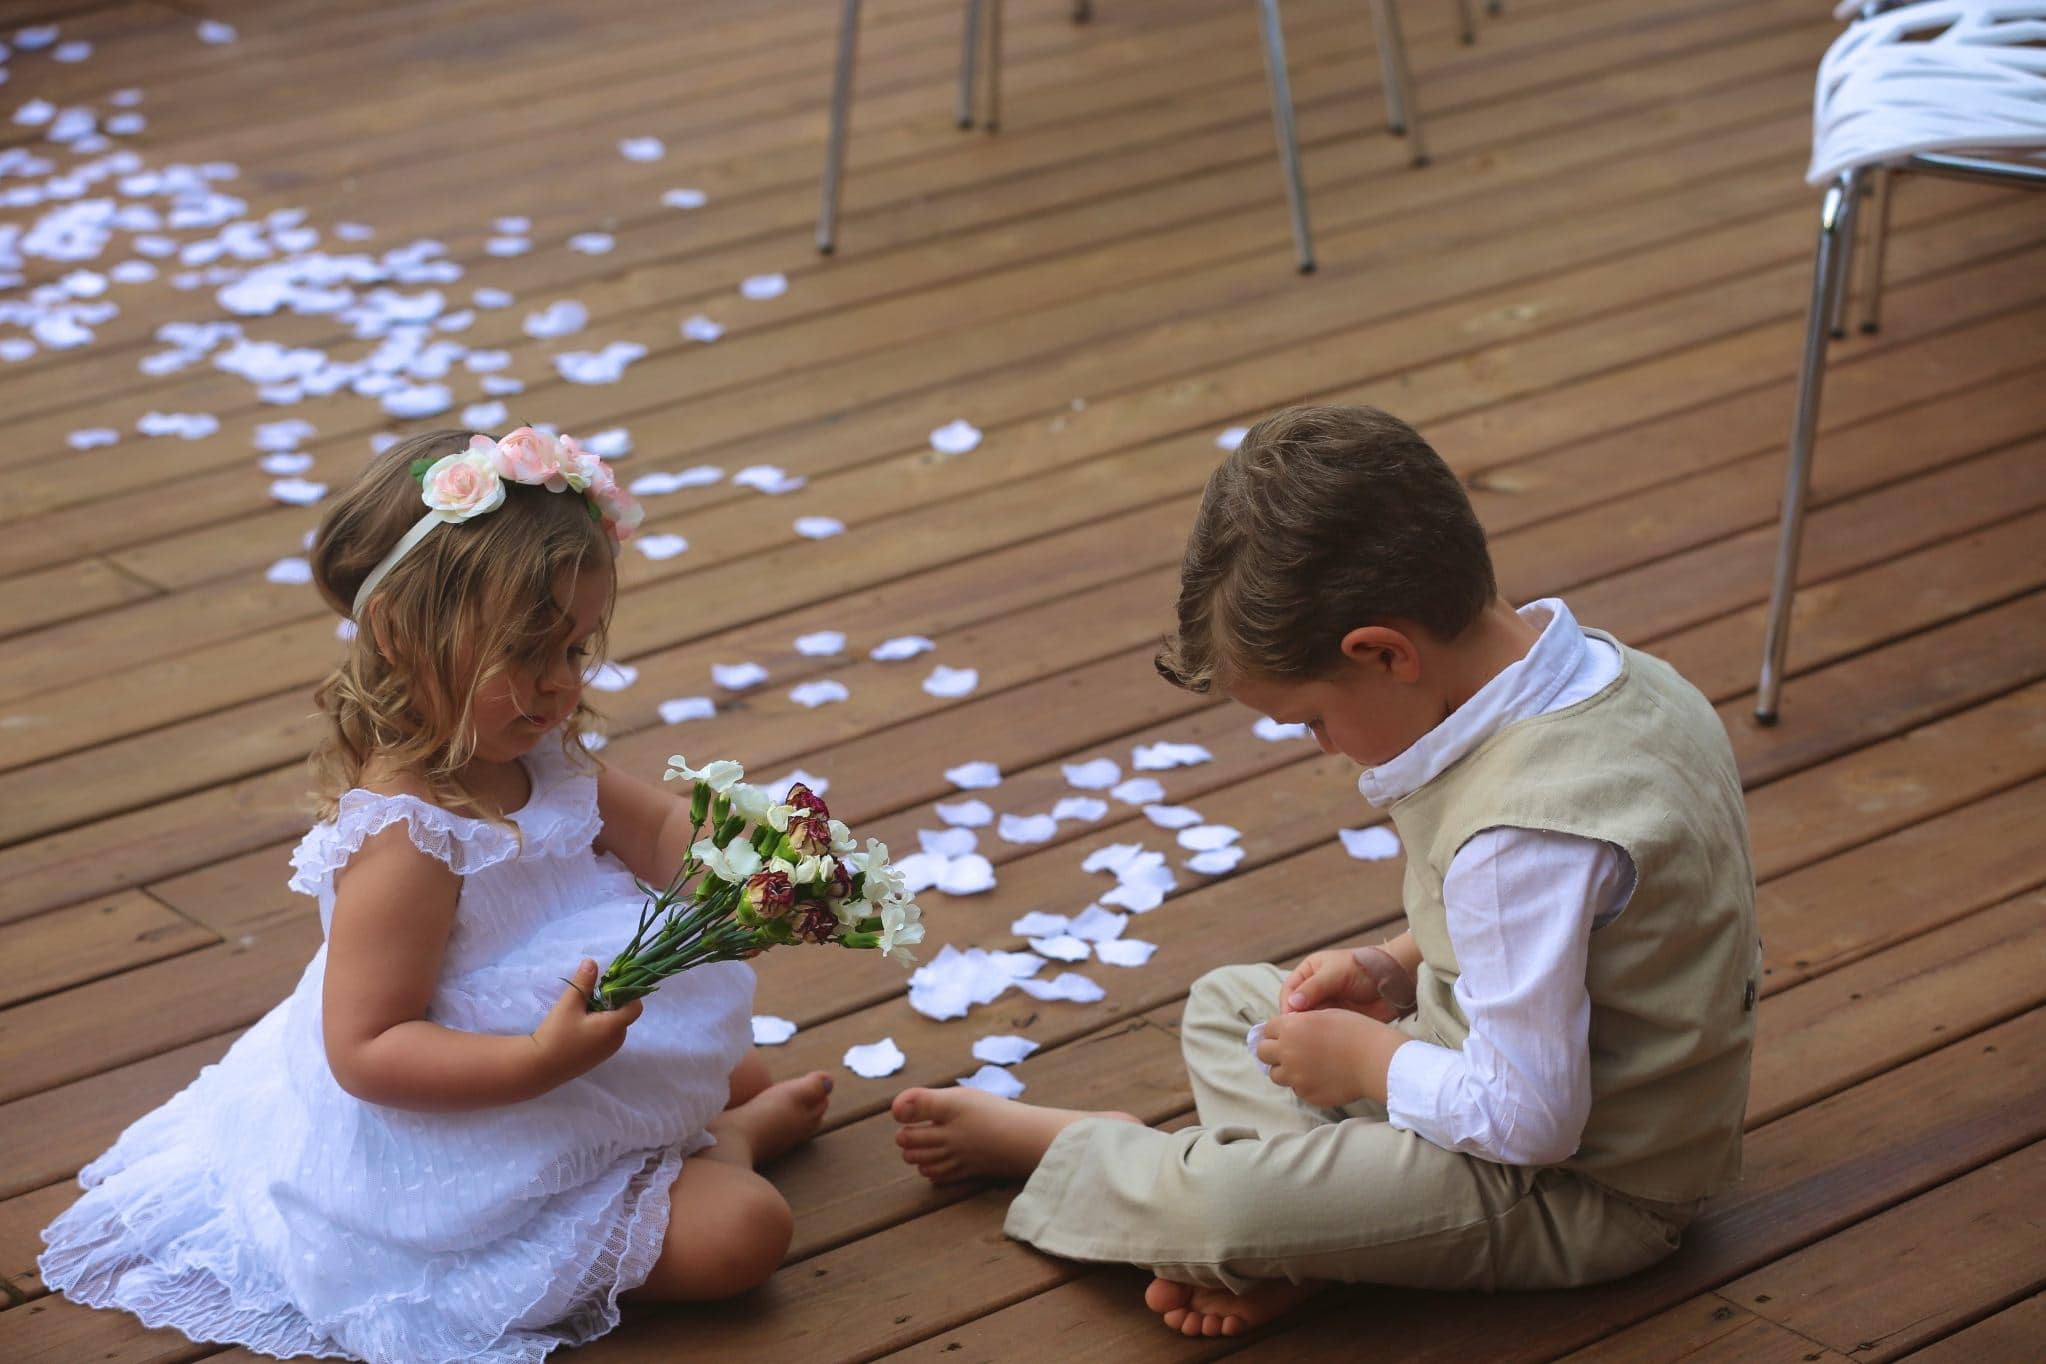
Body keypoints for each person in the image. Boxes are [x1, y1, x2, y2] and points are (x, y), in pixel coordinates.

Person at [891, 405, 1762, 1337]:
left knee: (1220, 1209)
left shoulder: (1521, 835)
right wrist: (1393, 967)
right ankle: (1327, 1240)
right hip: (1525, 1079)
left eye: (1309, 719)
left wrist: (1370, 1058)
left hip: (1580, 1188)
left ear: (1383, 653)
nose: (1322, 747)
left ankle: (1094, 1152)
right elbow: (1578, 928)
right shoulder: (1619, 681)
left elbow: (1535, 1122)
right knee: (1237, 1006)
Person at [40, 427, 833, 1363]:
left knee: (737, 1067)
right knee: (746, 1233)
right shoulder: (405, 835)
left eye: (578, 649)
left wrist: (746, 876)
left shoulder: (539, 753)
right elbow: (369, 1050)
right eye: (527, 651)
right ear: (397, 633)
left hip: (567, 1044)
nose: (558, 684)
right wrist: (536, 1065)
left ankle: (707, 1131)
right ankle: (721, 1153)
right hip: (465, 1126)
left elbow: (658, 830)